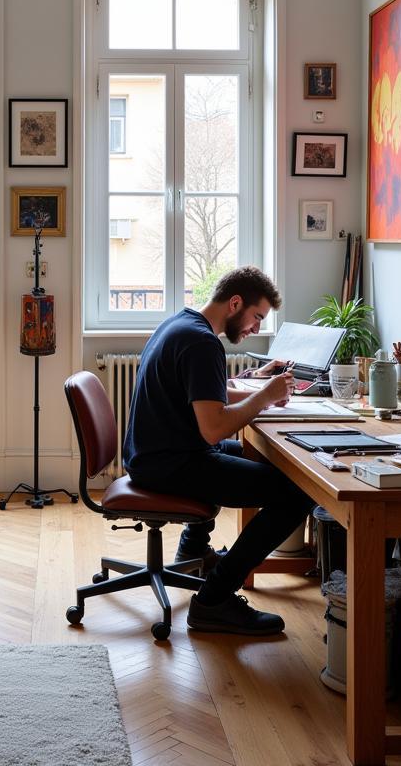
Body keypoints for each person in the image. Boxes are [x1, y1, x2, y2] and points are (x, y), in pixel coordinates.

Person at [122, 266, 315, 636]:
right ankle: (214, 599)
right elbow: (212, 429)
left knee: (246, 454)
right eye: (257, 317)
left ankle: (193, 555)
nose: (256, 328)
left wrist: (263, 393)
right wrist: (263, 397)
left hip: (153, 454)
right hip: (171, 463)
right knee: (296, 494)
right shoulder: (202, 343)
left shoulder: (182, 323)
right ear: (236, 303)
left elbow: (208, 394)